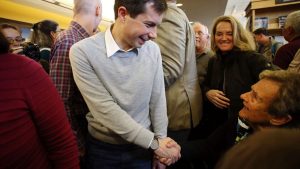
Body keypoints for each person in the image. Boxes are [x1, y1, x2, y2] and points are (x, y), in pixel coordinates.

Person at [69, 0, 181, 168]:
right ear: (123, 14)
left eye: (157, 26)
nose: (154, 34)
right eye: (149, 24)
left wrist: (160, 142)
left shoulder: (153, 50)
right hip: (103, 151)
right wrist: (156, 144)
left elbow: (157, 99)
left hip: (143, 149)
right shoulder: (82, 52)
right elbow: (104, 109)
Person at [180, 15, 271, 169]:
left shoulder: (253, 59)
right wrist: (208, 92)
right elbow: (205, 86)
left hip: (243, 130)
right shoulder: (214, 61)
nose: (223, 38)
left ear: (238, 35)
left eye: (229, 33)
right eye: (219, 34)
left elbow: (280, 84)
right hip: (217, 128)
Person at [0, 30, 79, 169]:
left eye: (18, 39)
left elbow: (61, 142)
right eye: (9, 40)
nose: (14, 44)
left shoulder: (24, 69)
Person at [49, 0, 102, 166]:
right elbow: (61, 100)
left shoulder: (80, 39)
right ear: (98, 10)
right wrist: (77, 143)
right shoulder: (69, 40)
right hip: (79, 131)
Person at [154, 1, 202, 168]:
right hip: (176, 105)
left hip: (173, 108)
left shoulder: (167, 15)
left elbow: (169, 69)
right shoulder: (171, 13)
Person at [215, 129, 300, 169]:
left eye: (255, 97)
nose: (243, 96)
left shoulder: (270, 148)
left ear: (280, 119)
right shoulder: (238, 119)